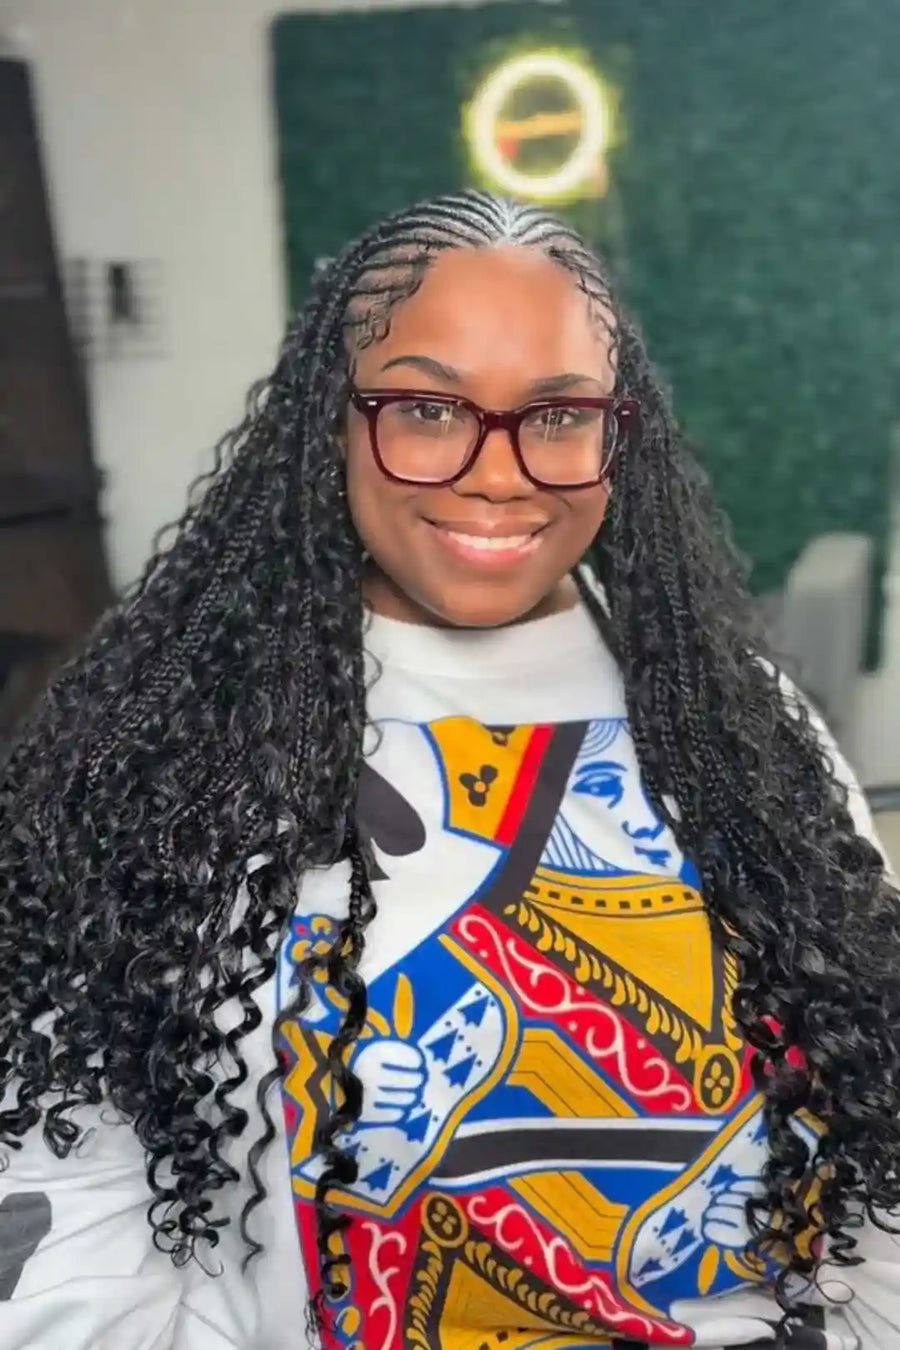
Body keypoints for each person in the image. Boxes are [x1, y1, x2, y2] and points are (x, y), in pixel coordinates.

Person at [0, 191, 898, 1350]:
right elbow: (71, 1201)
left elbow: (874, 1114)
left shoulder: (740, 727)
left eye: (558, 415)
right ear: (330, 420)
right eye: (426, 409)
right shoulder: (168, 745)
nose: (500, 473)